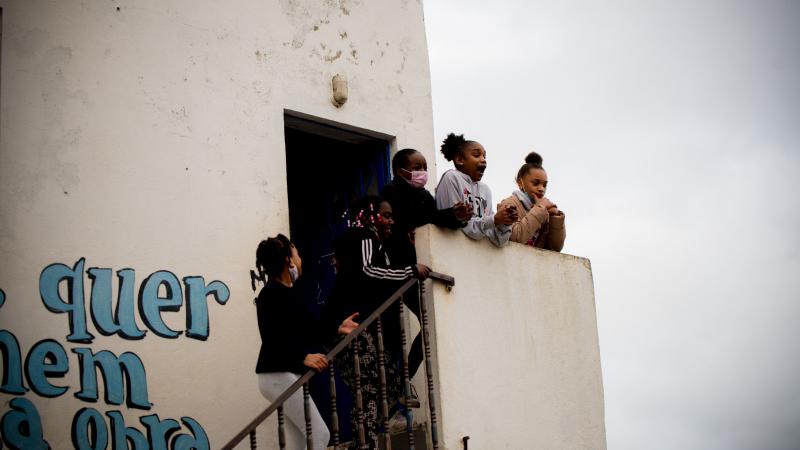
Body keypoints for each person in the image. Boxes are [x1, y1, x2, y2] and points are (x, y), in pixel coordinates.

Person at [323, 195, 430, 449]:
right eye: (385, 215)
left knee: (385, 386)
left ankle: (366, 440)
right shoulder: (364, 237)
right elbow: (368, 270)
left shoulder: (369, 242)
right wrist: (410, 271)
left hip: (352, 327)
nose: (390, 221)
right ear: (369, 216)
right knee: (371, 391)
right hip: (348, 327)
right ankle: (365, 443)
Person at [381, 148, 469, 378]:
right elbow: (398, 223)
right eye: (417, 168)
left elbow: (434, 219)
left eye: (425, 167)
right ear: (401, 172)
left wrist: (455, 214)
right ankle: (398, 380)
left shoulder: (424, 196)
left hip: (417, 269)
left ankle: (404, 377)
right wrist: (409, 230)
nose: (422, 172)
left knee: (428, 322)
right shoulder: (390, 193)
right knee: (393, 329)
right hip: (399, 269)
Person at [254, 234, 331, 450]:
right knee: (320, 435)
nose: (300, 259)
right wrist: (303, 357)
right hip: (276, 375)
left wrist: (337, 327)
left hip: (281, 374)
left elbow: (310, 327)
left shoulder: (289, 293)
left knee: (298, 441)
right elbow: (271, 339)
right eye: (296, 254)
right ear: (288, 260)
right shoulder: (270, 294)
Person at [434, 133, 517, 247]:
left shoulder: (485, 190)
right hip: (453, 251)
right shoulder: (452, 177)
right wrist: (494, 220)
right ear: (459, 159)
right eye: (477, 155)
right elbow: (462, 226)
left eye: (484, 156)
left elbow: (496, 240)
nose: (483, 160)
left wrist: (505, 222)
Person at [498, 152, 566, 251]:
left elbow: (555, 248)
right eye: (536, 183)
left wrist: (555, 218)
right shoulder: (509, 204)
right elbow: (515, 237)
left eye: (544, 185)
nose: (541, 189)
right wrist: (539, 209)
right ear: (520, 182)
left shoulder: (544, 211)